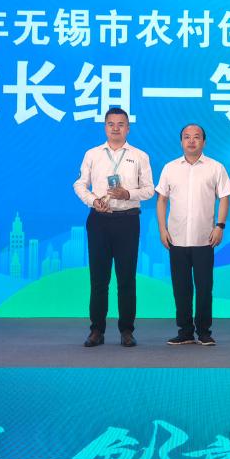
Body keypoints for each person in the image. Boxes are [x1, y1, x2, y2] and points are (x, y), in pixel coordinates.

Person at [73, 107, 154, 347]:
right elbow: (79, 184)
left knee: (126, 279)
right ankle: (96, 331)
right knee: (99, 279)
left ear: (128, 128)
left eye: (121, 124)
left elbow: (149, 190)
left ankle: (127, 331)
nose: (115, 128)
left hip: (128, 220)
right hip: (99, 220)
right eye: (111, 124)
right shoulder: (92, 154)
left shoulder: (139, 156)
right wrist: (93, 201)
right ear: (105, 127)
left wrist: (127, 193)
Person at [155, 123, 230, 346]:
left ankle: (204, 331)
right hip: (176, 238)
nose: (191, 141)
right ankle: (185, 331)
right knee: (181, 288)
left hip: (204, 238)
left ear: (204, 142)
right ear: (181, 141)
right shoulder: (170, 168)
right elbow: (161, 200)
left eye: (196, 137)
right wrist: (162, 229)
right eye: (187, 137)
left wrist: (220, 226)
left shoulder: (215, 167)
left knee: (204, 288)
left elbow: (225, 197)